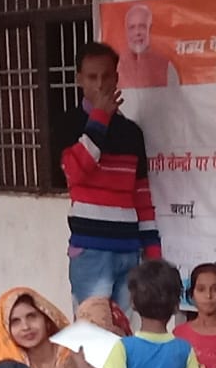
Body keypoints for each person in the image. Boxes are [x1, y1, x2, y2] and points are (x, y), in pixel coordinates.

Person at [59, 42, 161, 315]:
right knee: (91, 331)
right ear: (79, 79)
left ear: (116, 78)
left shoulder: (131, 133)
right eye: (92, 77)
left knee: (124, 331)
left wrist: (152, 253)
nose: (100, 84)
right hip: (91, 252)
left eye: (106, 76)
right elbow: (75, 172)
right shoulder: (68, 123)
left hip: (129, 251)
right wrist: (100, 118)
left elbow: (141, 196)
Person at [75, 259, 207, 368]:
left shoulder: (124, 347)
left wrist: (80, 362)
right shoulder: (184, 349)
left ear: (133, 303)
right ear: (176, 306)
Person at [118, 4, 179, 88]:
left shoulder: (167, 67)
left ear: (150, 29)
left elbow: (175, 95)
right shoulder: (116, 66)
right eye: (132, 27)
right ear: (126, 31)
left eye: (142, 26)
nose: (137, 32)